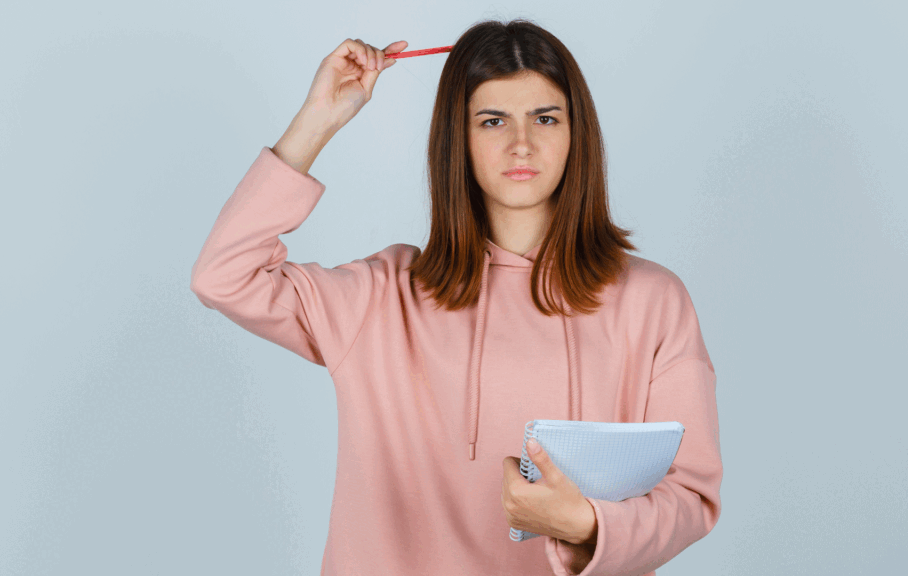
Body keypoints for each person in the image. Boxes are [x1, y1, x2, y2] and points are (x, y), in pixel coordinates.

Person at [190, 18, 722, 576]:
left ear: (576, 133)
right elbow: (223, 274)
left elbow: (691, 496)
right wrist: (317, 121)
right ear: (458, 138)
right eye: (492, 121)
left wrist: (585, 526)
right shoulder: (381, 296)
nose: (522, 143)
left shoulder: (653, 301)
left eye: (545, 117)